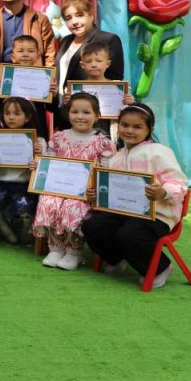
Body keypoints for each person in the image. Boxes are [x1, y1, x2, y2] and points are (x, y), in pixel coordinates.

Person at [82, 104, 189, 289]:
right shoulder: (116, 157)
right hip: (123, 211)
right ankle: (116, 258)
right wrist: (96, 194)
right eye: (125, 125)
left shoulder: (159, 152)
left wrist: (163, 192)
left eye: (137, 127)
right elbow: (111, 188)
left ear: (149, 129)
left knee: (130, 234)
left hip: (158, 214)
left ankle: (161, 267)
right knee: (93, 226)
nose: (129, 130)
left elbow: (178, 183)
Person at [33, 93, 115, 271]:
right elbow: (50, 162)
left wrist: (94, 190)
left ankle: (74, 252)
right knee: (48, 201)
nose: (80, 116)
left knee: (73, 206)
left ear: (97, 116)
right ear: (67, 113)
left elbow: (106, 174)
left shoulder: (103, 142)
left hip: (85, 195)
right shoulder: (58, 137)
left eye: (86, 112)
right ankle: (55, 248)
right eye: (75, 111)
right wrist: (39, 165)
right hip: (58, 189)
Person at [0, 97, 46, 245]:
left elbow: (45, 168)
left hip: (25, 186)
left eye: (17, 114)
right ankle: (6, 230)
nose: (11, 117)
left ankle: (26, 232)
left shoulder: (38, 141)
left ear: (27, 117)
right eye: (7, 113)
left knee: (24, 208)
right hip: (1, 184)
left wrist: (39, 155)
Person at [54, 0, 125, 128]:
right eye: (68, 18)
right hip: (64, 111)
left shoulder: (108, 39)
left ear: (91, 16)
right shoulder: (66, 41)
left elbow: (115, 78)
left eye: (79, 15)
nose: (74, 22)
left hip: (93, 118)